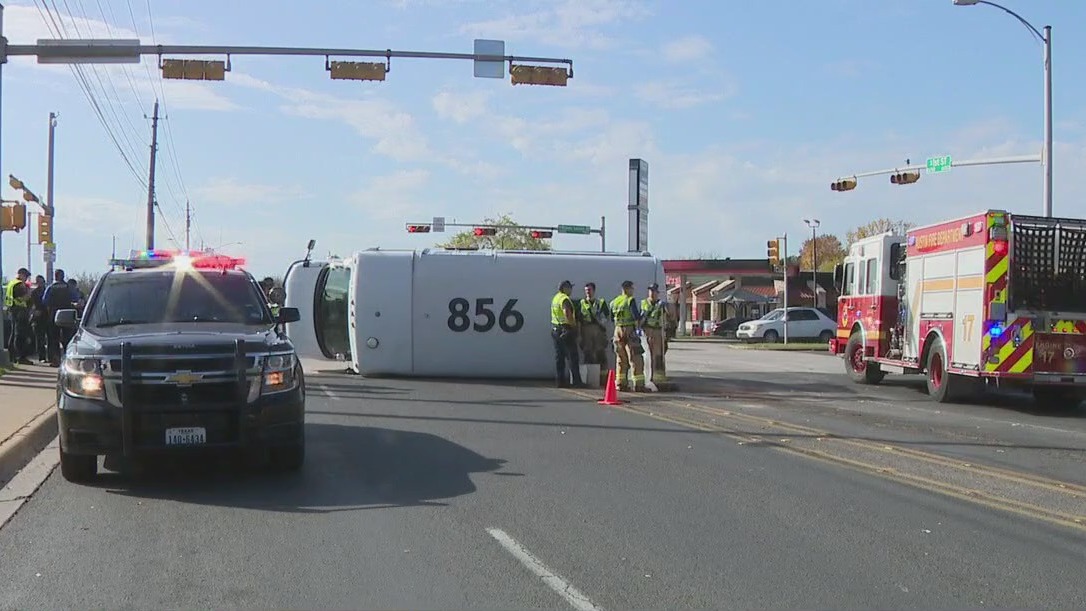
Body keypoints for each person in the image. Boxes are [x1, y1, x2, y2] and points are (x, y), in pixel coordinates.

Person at [610, 280, 646, 392]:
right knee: (635, 358)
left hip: (617, 330)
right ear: (627, 289)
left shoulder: (614, 302)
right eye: (632, 288)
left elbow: (612, 318)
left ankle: (621, 384)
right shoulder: (630, 300)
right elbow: (636, 317)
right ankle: (639, 385)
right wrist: (643, 317)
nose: (633, 291)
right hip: (629, 330)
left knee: (621, 358)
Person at [550, 279, 584, 388]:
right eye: (570, 288)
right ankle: (576, 381)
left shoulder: (556, 298)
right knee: (572, 357)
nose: (571, 290)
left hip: (555, 329)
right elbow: (567, 312)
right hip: (565, 329)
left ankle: (560, 381)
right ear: (565, 288)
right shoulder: (564, 299)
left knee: (559, 357)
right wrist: (573, 325)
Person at [577, 282, 611, 387]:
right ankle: (590, 379)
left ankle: (603, 379)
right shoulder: (581, 303)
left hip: (598, 330)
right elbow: (578, 319)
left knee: (600, 353)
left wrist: (601, 323)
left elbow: (607, 316)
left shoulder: (600, 302)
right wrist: (579, 334)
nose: (588, 292)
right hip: (586, 329)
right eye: (586, 290)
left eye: (590, 290)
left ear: (594, 291)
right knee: (588, 353)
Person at [640, 283, 671, 388]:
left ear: (657, 293)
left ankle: (656, 377)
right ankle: (646, 376)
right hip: (647, 331)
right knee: (646, 355)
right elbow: (640, 318)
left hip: (658, 331)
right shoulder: (643, 303)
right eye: (650, 291)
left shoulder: (661, 304)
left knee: (657, 355)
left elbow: (670, 316)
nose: (652, 293)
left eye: (654, 291)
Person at [42, 269, 73, 365]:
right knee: (68, 338)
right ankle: (69, 359)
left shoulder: (51, 287)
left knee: (53, 339)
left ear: (55, 276)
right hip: (67, 315)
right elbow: (75, 298)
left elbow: (44, 300)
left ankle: (55, 359)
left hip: (54, 314)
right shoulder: (69, 287)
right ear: (63, 276)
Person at [4, 268, 33, 364]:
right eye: (26, 276)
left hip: (12, 310)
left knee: (13, 334)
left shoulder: (11, 283)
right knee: (20, 335)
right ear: (21, 274)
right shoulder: (20, 285)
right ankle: (21, 357)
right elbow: (24, 298)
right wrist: (29, 293)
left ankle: (12, 356)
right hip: (19, 311)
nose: (26, 279)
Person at [29, 275, 49, 363]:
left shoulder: (48, 291)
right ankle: (42, 357)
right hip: (38, 317)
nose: (40, 284)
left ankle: (52, 356)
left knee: (50, 338)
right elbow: (31, 305)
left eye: (41, 282)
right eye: (38, 282)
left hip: (47, 316)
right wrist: (33, 313)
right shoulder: (34, 293)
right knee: (39, 338)